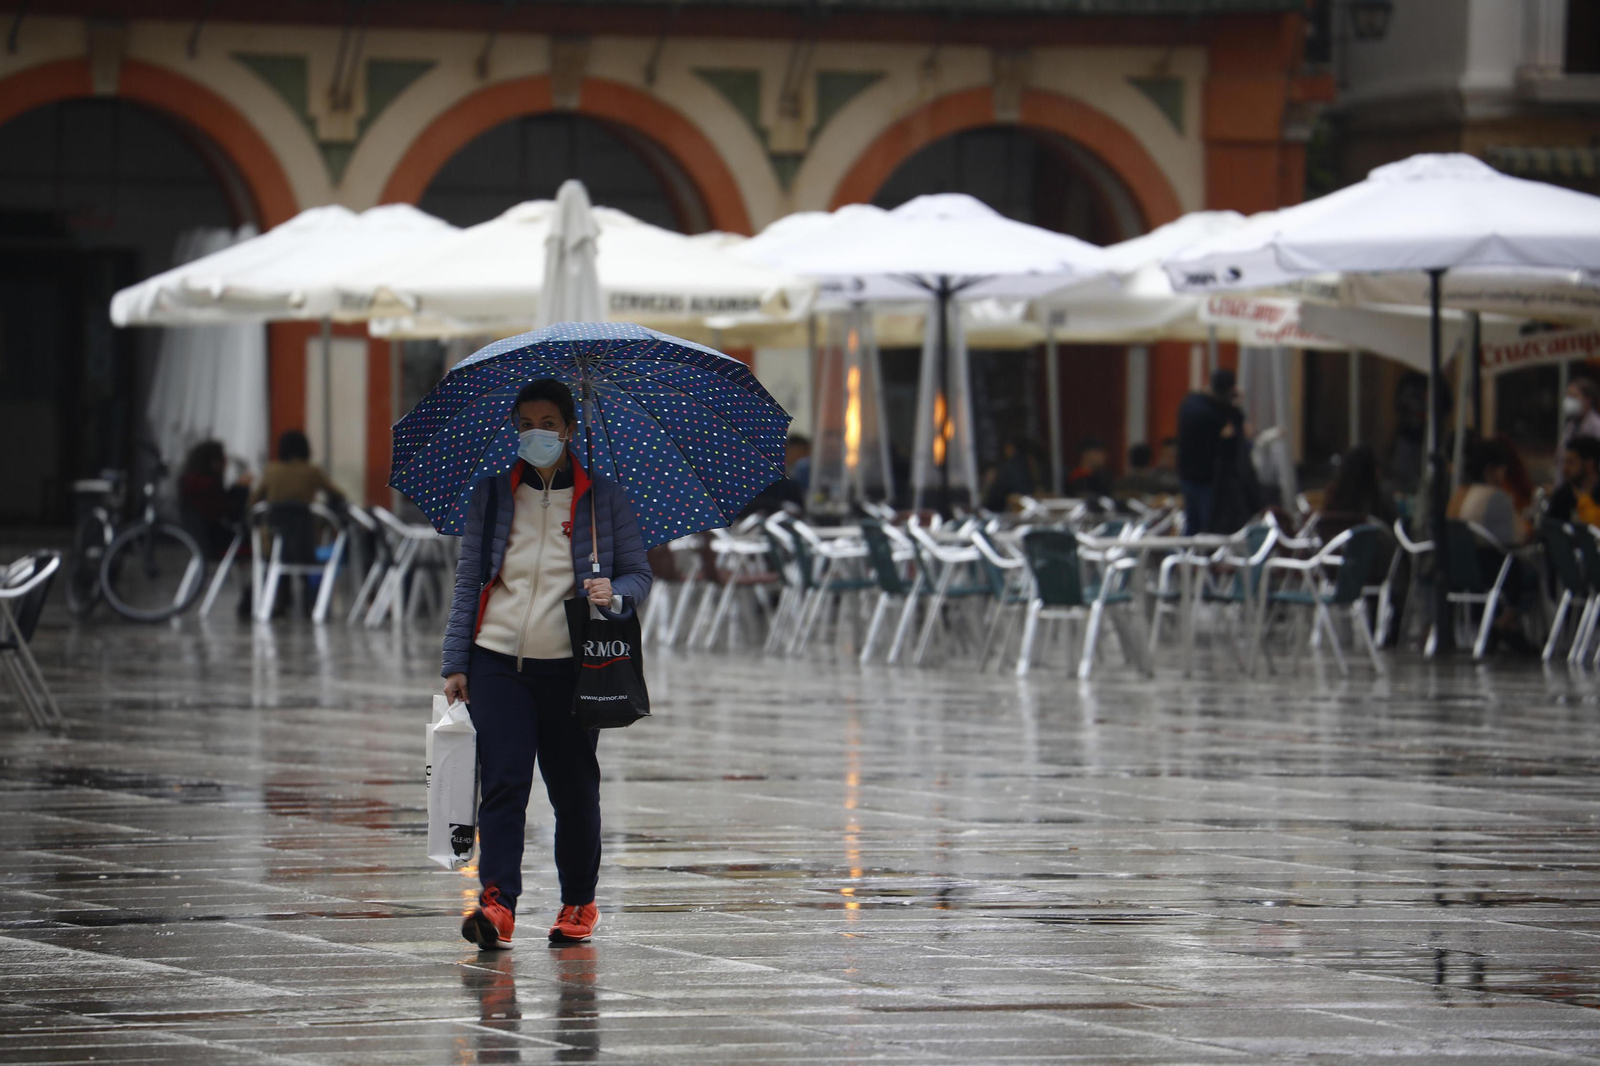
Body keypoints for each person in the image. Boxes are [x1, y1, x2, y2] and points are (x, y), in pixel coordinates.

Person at [443, 379, 651, 951]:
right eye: (525, 423)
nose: (535, 434)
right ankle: (498, 903)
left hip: (572, 667)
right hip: (497, 660)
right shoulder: (490, 496)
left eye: (547, 424)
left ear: (569, 429)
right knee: (504, 782)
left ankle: (579, 902)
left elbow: (639, 572)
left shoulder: (602, 498)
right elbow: (469, 585)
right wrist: (455, 661)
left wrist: (617, 592)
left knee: (575, 789)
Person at [1177, 368, 1244, 534]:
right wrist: (1233, 408)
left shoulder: (1190, 404)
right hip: (1207, 478)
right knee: (1208, 525)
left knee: (1193, 523)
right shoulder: (1209, 413)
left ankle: (1189, 555)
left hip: (1189, 474)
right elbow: (1232, 430)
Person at [178, 440, 251, 560]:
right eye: (222, 459)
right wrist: (240, 490)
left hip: (202, 542)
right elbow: (226, 510)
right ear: (212, 462)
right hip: (214, 542)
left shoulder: (192, 482)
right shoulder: (206, 485)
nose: (225, 463)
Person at [248, 430, 343, 508]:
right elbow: (337, 494)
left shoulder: (271, 470)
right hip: (306, 528)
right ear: (306, 448)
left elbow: (254, 500)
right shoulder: (312, 471)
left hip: (274, 529)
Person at [1549, 434, 1600, 525]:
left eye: (1571, 462)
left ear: (1589, 464)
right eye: (1564, 462)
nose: (1565, 468)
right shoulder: (1562, 496)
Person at [1557, 377, 1600, 485]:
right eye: (1568, 396)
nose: (1569, 401)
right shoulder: (1570, 426)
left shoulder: (1596, 427)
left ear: (1588, 400)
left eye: (1574, 396)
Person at [980, 436, 1038, 513]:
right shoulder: (1016, 467)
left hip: (1003, 511)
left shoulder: (1012, 468)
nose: (1005, 450)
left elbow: (1009, 495)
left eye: (1007, 447)